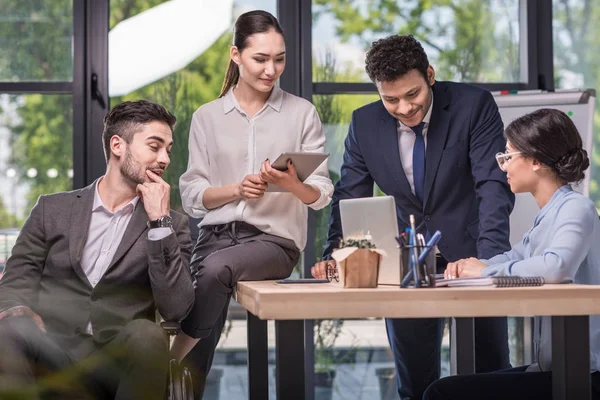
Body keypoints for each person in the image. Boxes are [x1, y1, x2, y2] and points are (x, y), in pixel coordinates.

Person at [311, 35, 515, 400]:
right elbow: (349, 195)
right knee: (416, 384)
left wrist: (490, 260)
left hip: (473, 254)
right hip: (405, 265)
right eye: (390, 99)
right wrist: (333, 255)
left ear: (430, 75)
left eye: (412, 94)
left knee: (491, 376)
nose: (404, 107)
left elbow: (493, 186)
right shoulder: (364, 124)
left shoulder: (473, 106)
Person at [170, 9, 334, 398]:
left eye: (279, 58)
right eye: (261, 58)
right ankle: (178, 381)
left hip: (273, 243)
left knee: (213, 272)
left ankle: (169, 358)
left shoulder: (301, 113)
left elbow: (321, 194)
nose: (271, 69)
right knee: (200, 325)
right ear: (236, 54)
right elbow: (193, 196)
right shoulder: (207, 117)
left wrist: (294, 184)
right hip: (214, 238)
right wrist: (237, 190)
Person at [0, 100, 194, 400]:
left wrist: (160, 222)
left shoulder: (172, 225)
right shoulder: (51, 210)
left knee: (148, 334)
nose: (164, 158)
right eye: (155, 146)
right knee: (9, 326)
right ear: (118, 145)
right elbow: (15, 281)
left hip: (121, 363)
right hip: (53, 356)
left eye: (168, 149)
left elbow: (176, 307)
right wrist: (18, 309)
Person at [424, 108, 600, 399]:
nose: (503, 167)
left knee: (442, 393)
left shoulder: (576, 208)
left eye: (507, 156)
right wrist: (472, 264)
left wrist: (482, 271)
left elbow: (556, 267)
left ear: (537, 160)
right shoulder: (549, 215)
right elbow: (513, 258)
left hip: (583, 374)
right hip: (552, 368)